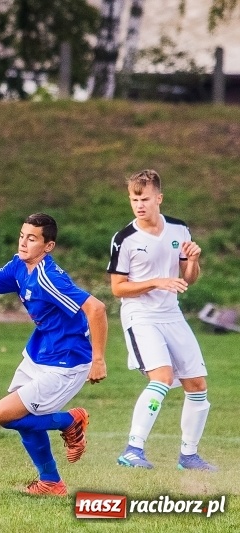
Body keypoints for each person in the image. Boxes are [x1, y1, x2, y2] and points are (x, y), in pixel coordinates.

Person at [0, 213, 107, 497]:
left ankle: (70, 421)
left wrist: (98, 359)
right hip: (39, 353)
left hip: (67, 360)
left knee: (5, 413)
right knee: (23, 416)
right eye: (22, 236)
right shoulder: (18, 267)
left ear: (48, 246)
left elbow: (96, 309)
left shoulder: (48, 277)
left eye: (32, 238)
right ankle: (51, 482)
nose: (24, 243)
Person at [108, 169, 216, 471]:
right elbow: (118, 288)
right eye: (133, 199)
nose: (139, 205)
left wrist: (193, 261)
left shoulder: (179, 230)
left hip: (171, 313)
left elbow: (188, 278)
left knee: (197, 384)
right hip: (140, 315)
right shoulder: (125, 239)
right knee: (163, 378)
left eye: (144, 198)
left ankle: (189, 456)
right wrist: (156, 282)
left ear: (159, 198)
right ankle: (133, 449)